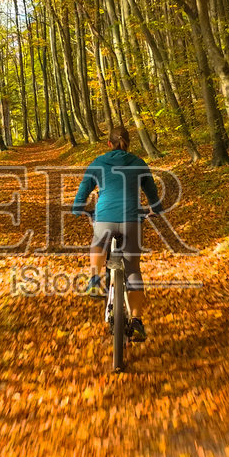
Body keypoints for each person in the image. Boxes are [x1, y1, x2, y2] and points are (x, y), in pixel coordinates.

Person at [71, 126, 163, 343]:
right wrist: (156, 209)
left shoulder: (98, 163)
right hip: (132, 220)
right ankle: (137, 321)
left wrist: (78, 208)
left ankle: (95, 279)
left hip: (104, 217)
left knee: (97, 243)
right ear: (128, 143)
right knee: (133, 270)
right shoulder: (139, 163)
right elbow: (151, 192)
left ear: (109, 144)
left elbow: (84, 189)